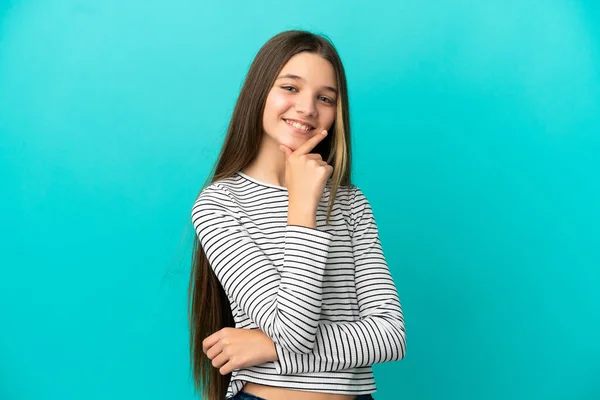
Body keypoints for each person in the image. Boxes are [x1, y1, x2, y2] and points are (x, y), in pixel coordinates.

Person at [189, 30, 406, 400]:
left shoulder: (351, 204)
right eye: (290, 88)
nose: (307, 108)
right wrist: (303, 208)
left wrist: (265, 346)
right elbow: (293, 331)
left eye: (325, 97)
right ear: (259, 92)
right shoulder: (220, 204)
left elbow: (389, 336)